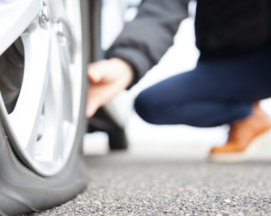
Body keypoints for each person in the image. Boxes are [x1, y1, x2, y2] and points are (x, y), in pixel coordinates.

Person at [87, 0, 271, 162]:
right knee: (152, 103)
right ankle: (247, 116)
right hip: (224, 62)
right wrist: (126, 61)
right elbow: (162, 8)